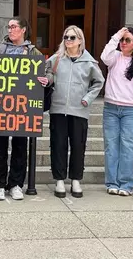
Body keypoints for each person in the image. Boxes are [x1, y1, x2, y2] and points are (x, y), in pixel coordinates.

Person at [0, 17, 46, 201]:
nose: (10, 29)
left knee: (20, 147)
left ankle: (15, 184)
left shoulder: (33, 52)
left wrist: (46, 80)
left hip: (23, 107)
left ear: (23, 30)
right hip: (1, 106)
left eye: (14, 26)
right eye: (9, 26)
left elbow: (46, 71)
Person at [45, 26, 105, 198]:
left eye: (72, 37)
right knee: (58, 145)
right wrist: (47, 80)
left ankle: (76, 180)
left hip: (79, 110)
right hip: (58, 109)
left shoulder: (89, 62)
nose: (68, 40)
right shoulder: (56, 59)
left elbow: (98, 82)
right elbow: (48, 75)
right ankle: (59, 180)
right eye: (66, 37)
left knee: (78, 146)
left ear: (80, 40)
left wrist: (88, 98)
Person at [101, 27, 133, 196]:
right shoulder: (114, 57)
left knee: (128, 147)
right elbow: (104, 56)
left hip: (131, 110)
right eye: (122, 40)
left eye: (127, 40)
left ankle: (126, 184)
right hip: (111, 108)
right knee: (111, 146)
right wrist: (116, 36)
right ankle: (112, 182)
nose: (123, 43)